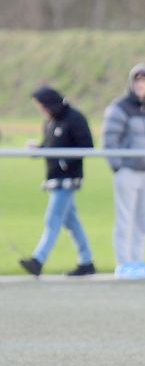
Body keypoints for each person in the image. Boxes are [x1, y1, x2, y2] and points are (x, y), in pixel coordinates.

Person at [19, 87, 96, 277]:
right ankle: (87, 261)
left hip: (68, 180)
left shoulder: (75, 118)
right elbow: (49, 145)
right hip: (54, 179)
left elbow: (87, 145)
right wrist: (38, 150)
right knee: (72, 222)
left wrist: (64, 162)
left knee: (52, 219)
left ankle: (38, 259)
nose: (41, 111)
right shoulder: (51, 122)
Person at [102, 64, 145, 280]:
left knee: (143, 220)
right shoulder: (120, 108)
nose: (141, 85)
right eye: (137, 81)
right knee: (125, 219)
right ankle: (124, 263)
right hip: (129, 172)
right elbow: (110, 140)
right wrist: (118, 165)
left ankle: (138, 261)